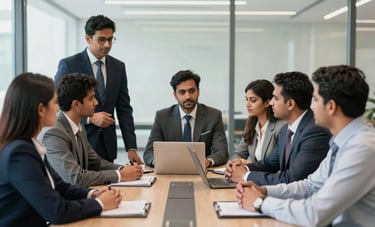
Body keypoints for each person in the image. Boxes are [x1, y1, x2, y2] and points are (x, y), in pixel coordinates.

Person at [236, 65, 375, 227]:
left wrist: (260, 202)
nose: (312, 106)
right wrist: (265, 191)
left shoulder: (362, 148)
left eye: (316, 99)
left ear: (331, 106)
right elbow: (309, 186)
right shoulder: (345, 141)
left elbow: (314, 213)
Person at [0, 73, 122, 226]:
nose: (58, 108)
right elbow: (57, 212)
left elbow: (60, 187)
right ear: (41, 109)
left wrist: (93, 194)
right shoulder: (19, 154)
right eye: (55, 102)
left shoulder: (29, 146)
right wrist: (100, 203)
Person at [54, 15, 142, 164]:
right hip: (79, 141)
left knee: (109, 185)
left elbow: (124, 109)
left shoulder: (118, 67)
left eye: (110, 39)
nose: (107, 44)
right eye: (101, 39)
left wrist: (131, 147)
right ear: (88, 39)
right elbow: (58, 105)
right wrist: (89, 119)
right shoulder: (69, 64)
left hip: (107, 145)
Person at [225, 71, 331, 185]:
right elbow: (270, 163)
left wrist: (245, 176)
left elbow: (292, 179)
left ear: (290, 104)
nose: (271, 103)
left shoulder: (315, 131)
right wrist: (242, 168)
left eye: (275, 98)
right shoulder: (287, 129)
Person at [42, 73, 143, 187]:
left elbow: (96, 163)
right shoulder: (54, 133)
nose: (96, 102)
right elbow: (76, 178)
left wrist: (125, 169)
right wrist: (120, 175)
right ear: (76, 104)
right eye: (91, 98)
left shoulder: (79, 127)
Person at [143, 70, 228, 168]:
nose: (188, 96)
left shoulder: (213, 115)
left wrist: (207, 161)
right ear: (175, 95)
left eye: (192, 91)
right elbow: (149, 153)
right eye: (182, 92)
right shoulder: (162, 117)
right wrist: (158, 162)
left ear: (198, 91)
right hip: (171, 171)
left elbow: (222, 152)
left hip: (202, 171)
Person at [230, 79, 286, 163]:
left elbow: (277, 164)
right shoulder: (251, 125)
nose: (247, 105)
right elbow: (238, 154)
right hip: (252, 174)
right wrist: (235, 163)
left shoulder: (281, 127)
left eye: (253, 100)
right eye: (246, 99)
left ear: (267, 102)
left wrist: (248, 164)